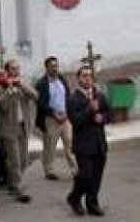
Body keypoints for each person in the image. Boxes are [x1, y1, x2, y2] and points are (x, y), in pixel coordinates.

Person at [67, 66, 110, 216]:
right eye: (84, 76)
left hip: (99, 144)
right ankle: (74, 198)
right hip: (83, 145)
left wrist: (102, 118)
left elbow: (108, 114)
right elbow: (75, 121)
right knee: (86, 176)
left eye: (90, 76)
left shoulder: (100, 95)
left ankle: (92, 204)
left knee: (97, 176)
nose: (87, 78)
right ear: (78, 78)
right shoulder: (72, 98)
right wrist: (90, 110)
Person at [0, 60, 38, 203]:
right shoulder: (1, 86)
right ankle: (18, 188)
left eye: (18, 68)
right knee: (14, 159)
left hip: (23, 127)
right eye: (13, 69)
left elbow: (35, 96)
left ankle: (12, 182)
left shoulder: (22, 84)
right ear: (7, 71)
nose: (17, 71)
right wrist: (9, 88)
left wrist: (22, 85)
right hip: (8, 128)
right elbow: (1, 106)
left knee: (24, 159)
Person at [35, 56, 77, 180]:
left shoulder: (62, 79)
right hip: (50, 119)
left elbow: (68, 96)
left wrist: (67, 112)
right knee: (50, 146)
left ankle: (75, 169)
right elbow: (41, 103)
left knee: (70, 143)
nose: (55, 68)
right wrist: (54, 113)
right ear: (46, 68)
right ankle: (49, 170)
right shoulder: (41, 83)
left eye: (56, 66)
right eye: (52, 66)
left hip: (65, 117)